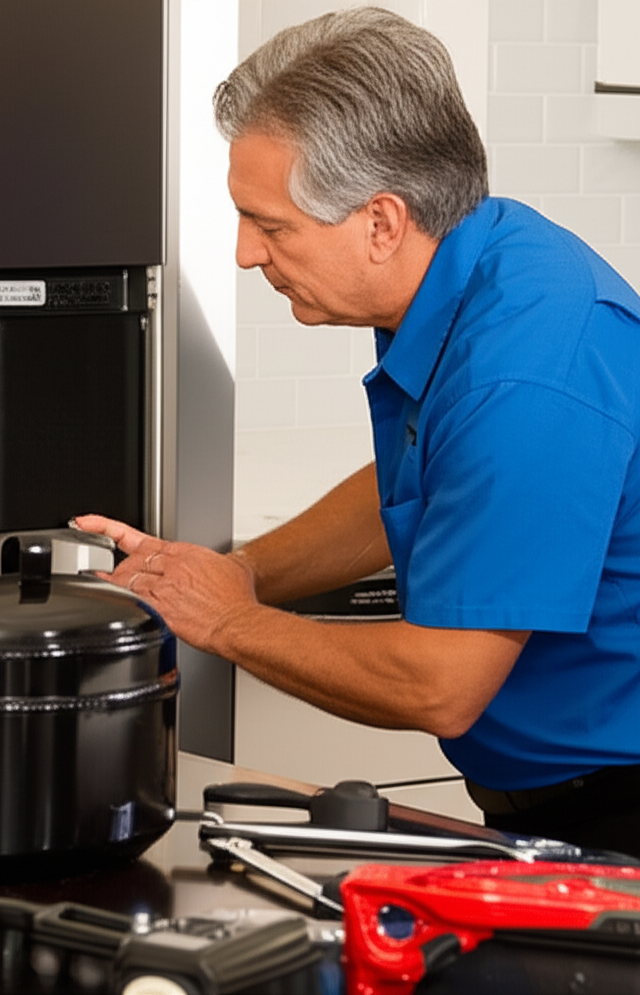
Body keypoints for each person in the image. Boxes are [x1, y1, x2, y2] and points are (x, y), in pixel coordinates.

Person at [76, 6, 640, 859]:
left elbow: (441, 684)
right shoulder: (471, 263)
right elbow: (423, 484)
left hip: (617, 811)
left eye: (271, 225)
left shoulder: (526, 366)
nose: (245, 254)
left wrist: (228, 620)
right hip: (550, 798)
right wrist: (246, 570)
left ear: (381, 221)